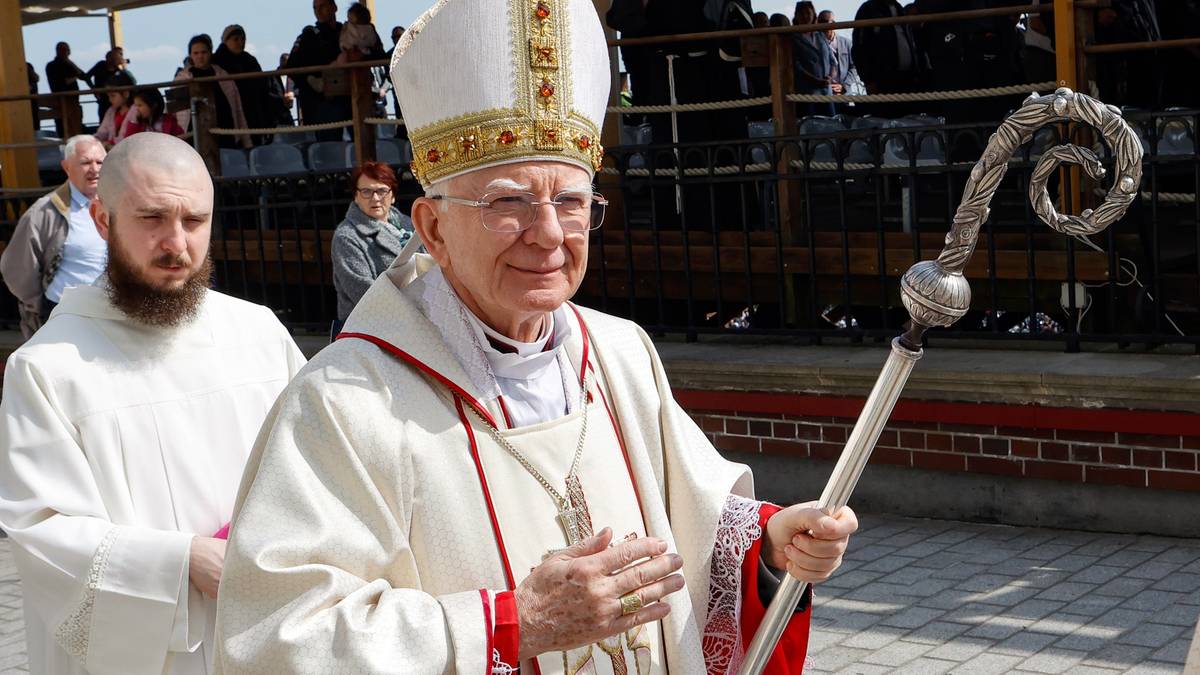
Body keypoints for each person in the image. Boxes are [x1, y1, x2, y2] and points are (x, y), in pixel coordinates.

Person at [215, 1, 857, 673]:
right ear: (431, 228)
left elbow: (698, 520)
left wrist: (770, 545)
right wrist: (510, 625)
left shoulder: (619, 352)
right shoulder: (343, 404)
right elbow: (274, 639)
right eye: (508, 202)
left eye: (572, 202)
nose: (549, 233)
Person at [0, 133, 307, 675]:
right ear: (102, 220)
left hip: (266, 632)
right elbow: (39, 531)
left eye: (194, 221)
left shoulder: (259, 333)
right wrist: (181, 562)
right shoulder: (47, 369)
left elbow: (318, 464)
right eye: (152, 219)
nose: (177, 243)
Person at [0, 135, 106, 339]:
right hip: (65, 315)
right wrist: (38, 304)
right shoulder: (45, 211)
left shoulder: (117, 205)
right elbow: (14, 267)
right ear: (67, 167)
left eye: (100, 161)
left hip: (111, 311)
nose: (94, 169)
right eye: (85, 162)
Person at [332, 161, 414, 323]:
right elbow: (363, 291)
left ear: (393, 195)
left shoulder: (409, 224)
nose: (375, 198)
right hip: (373, 326)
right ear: (356, 196)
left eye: (382, 190)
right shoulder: (346, 236)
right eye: (366, 191)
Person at [287, 0, 351, 141]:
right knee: (330, 148)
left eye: (322, 6)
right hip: (322, 104)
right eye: (315, 8)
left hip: (350, 98)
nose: (318, 11)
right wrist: (312, 81)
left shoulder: (347, 32)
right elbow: (291, 67)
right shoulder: (309, 36)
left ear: (334, 7)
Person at [174, 34, 252, 149]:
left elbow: (237, 109)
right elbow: (175, 113)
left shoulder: (223, 76)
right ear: (190, 55)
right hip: (192, 136)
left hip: (224, 134)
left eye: (203, 52)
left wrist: (247, 142)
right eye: (196, 53)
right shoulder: (181, 79)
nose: (200, 56)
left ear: (210, 53)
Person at [852, 0, 920, 115]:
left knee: (907, 120)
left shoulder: (899, 9)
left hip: (907, 79)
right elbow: (859, 47)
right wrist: (868, 80)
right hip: (882, 81)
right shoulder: (868, 9)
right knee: (885, 120)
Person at [212, 24, 272, 145]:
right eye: (236, 39)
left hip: (253, 110)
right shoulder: (217, 62)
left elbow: (262, 85)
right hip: (230, 112)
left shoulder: (250, 60)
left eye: (243, 39)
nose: (240, 42)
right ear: (226, 41)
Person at [793, 1, 835, 117]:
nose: (805, 16)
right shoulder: (793, 38)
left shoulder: (821, 35)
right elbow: (797, 66)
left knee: (830, 125)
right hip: (807, 93)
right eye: (801, 13)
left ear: (813, 14)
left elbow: (832, 61)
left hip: (826, 92)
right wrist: (815, 80)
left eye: (808, 13)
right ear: (796, 16)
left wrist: (830, 77)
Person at [44, 42, 88, 137]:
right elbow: (59, 84)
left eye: (67, 50)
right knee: (62, 129)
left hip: (73, 102)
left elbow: (84, 76)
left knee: (76, 128)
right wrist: (73, 78)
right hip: (60, 102)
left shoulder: (69, 64)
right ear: (58, 51)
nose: (67, 52)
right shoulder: (52, 65)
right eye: (64, 50)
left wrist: (71, 64)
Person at [818, 9, 858, 105]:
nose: (822, 25)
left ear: (834, 23)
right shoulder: (815, 45)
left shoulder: (847, 43)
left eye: (825, 22)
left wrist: (844, 86)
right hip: (823, 94)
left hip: (844, 95)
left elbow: (854, 67)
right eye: (820, 22)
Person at [86, 47, 136, 122]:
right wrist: (94, 89)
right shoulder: (100, 65)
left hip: (117, 100)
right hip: (103, 99)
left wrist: (124, 69)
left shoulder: (119, 71)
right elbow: (86, 77)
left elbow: (133, 82)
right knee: (104, 119)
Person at [93, 74, 137, 147]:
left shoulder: (135, 110)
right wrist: (95, 139)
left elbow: (131, 136)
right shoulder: (111, 111)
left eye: (113, 96)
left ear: (126, 94)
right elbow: (103, 131)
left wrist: (110, 143)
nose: (110, 99)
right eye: (108, 96)